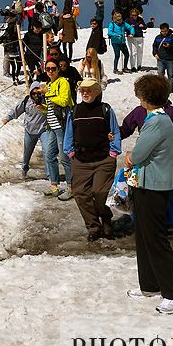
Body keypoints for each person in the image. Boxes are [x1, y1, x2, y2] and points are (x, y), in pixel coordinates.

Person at [123, 75, 173, 313]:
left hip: (154, 187)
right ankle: (149, 284)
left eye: (140, 95)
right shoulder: (155, 118)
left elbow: (137, 155)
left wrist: (129, 157)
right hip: (144, 185)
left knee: (157, 240)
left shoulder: (158, 121)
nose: (138, 99)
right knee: (144, 237)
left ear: (147, 97)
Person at [64, 78, 121, 241]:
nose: (85, 93)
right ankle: (93, 226)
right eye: (82, 90)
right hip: (81, 160)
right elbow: (69, 132)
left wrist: (113, 152)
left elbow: (115, 131)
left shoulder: (105, 109)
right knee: (80, 193)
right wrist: (70, 152)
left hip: (103, 159)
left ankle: (106, 218)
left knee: (100, 193)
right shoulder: (74, 111)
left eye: (89, 90)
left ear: (96, 91)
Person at [41, 59, 74, 200]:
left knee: (64, 157)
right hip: (52, 125)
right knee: (49, 156)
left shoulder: (63, 82)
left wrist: (47, 94)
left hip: (62, 125)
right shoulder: (49, 84)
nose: (50, 71)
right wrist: (41, 107)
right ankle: (54, 186)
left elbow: (64, 100)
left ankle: (71, 187)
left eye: (53, 68)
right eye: (48, 69)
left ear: (58, 69)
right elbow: (50, 107)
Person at [4, 82, 48, 180]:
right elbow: (16, 110)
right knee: (27, 152)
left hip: (44, 130)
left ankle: (50, 175)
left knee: (47, 152)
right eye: (34, 93)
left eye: (38, 93)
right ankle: (24, 169)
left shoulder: (46, 100)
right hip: (30, 131)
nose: (36, 96)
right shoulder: (26, 101)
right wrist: (8, 118)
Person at [151, 23, 173, 91]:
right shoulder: (158, 37)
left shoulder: (172, 37)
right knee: (160, 74)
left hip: (170, 59)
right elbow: (154, 46)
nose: (163, 32)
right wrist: (155, 54)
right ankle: (161, 88)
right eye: (162, 31)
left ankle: (170, 89)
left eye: (165, 31)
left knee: (170, 75)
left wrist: (169, 46)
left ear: (168, 30)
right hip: (160, 59)